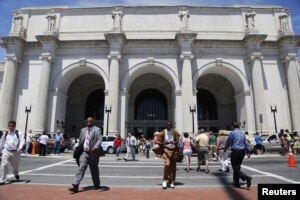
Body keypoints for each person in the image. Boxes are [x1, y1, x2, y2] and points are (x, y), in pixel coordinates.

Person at [69, 117, 103, 193]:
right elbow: (81, 141)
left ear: (93, 122)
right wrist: (78, 150)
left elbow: (100, 139)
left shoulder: (97, 129)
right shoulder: (83, 130)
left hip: (93, 153)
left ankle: (96, 184)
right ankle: (75, 185)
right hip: (84, 152)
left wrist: (96, 147)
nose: (89, 123)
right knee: (81, 168)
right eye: (87, 121)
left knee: (94, 170)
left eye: (90, 121)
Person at [225, 122, 252, 189]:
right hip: (242, 151)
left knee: (235, 168)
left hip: (236, 151)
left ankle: (247, 178)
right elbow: (246, 143)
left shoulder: (233, 133)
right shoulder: (242, 133)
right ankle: (236, 182)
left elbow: (229, 142)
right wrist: (248, 152)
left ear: (233, 126)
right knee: (238, 167)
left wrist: (225, 148)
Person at [156, 122, 180, 189]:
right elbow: (157, 141)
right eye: (168, 125)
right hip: (166, 150)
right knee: (167, 165)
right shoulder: (163, 133)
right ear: (166, 126)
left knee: (173, 167)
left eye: (170, 125)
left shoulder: (174, 131)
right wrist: (164, 143)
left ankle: (172, 182)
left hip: (174, 151)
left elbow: (178, 139)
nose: (169, 126)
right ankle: (165, 180)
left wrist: (174, 142)